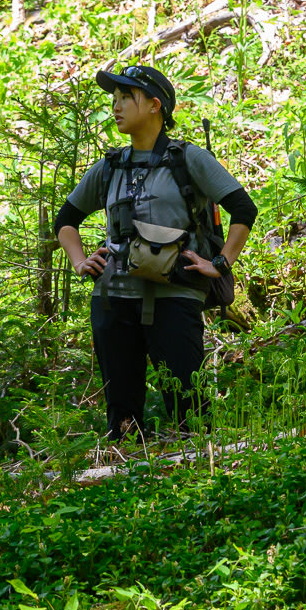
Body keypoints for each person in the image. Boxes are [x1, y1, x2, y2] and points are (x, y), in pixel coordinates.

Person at [55, 65, 257, 440]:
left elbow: (243, 209)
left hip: (175, 295)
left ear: (154, 105)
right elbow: (66, 220)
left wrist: (220, 262)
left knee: (190, 411)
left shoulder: (188, 159)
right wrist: (79, 260)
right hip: (113, 299)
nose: (115, 107)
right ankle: (124, 483)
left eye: (125, 98)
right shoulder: (109, 166)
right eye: (113, 100)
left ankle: (200, 482)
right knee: (122, 419)